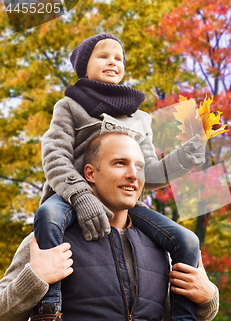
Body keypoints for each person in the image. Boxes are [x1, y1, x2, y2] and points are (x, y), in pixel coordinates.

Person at [33, 34, 206, 320]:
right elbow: (55, 157)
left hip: (123, 205)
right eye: (103, 56)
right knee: (47, 216)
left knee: (187, 240)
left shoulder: (141, 119)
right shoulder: (70, 106)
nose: (113, 62)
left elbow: (147, 172)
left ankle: (183, 316)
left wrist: (182, 159)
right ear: (83, 67)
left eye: (119, 58)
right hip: (70, 196)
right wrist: (81, 196)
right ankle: (49, 307)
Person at [0, 131, 219, 321]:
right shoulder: (49, 241)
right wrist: (33, 279)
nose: (133, 174)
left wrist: (208, 299)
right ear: (90, 174)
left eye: (140, 166)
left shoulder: (162, 248)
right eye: (120, 163)